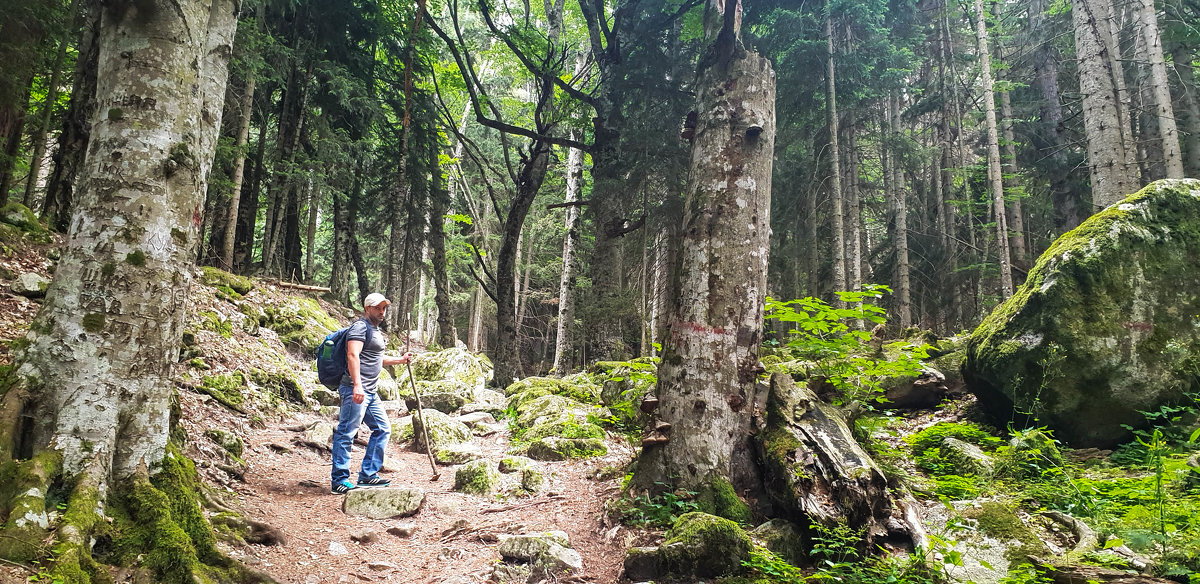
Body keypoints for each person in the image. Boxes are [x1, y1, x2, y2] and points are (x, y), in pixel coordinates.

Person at [331, 292, 414, 494]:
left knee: (383, 429)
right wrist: (357, 385)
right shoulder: (360, 327)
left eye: (384, 308)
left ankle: (368, 475)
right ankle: (339, 480)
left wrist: (400, 360)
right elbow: (352, 355)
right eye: (378, 307)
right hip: (356, 389)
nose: (382, 311)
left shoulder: (374, 330)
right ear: (367, 308)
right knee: (347, 432)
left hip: (370, 391)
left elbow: (376, 358)